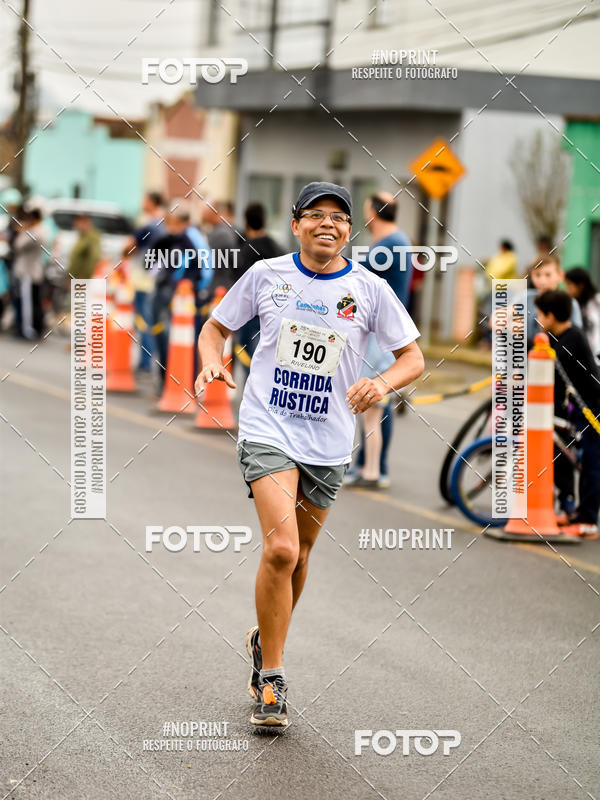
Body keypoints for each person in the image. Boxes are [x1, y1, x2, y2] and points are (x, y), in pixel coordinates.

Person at [195, 181, 424, 727]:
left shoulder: (369, 289)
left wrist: (383, 383)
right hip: (268, 427)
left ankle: (263, 638)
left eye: (339, 218)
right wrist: (210, 361)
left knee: (299, 557)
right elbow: (215, 328)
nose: (328, 224)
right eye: (316, 215)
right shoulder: (267, 275)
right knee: (280, 549)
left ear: (350, 230)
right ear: (296, 223)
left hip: (329, 438)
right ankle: (271, 678)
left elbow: (412, 357)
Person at [348, 192, 413, 488]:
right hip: (388, 335)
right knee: (376, 408)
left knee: (369, 408)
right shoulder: (400, 241)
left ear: (373, 213)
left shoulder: (387, 246)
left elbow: (353, 282)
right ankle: (372, 469)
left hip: (378, 337)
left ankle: (370, 471)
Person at [535, 290, 600, 538]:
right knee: (570, 457)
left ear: (551, 316)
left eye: (541, 314)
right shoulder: (558, 335)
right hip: (577, 409)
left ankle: (587, 522)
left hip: (593, 410)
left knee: (591, 463)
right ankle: (573, 512)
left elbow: (551, 370)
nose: (538, 319)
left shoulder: (572, 338)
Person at [151, 202, 204, 391]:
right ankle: (167, 381)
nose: (169, 227)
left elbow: (196, 270)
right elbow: (151, 261)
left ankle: (178, 382)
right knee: (163, 338)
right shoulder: (168, 240)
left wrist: (186, 284)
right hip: (165, 294)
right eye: (167, 222)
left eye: (172, 222)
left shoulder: (189, 241)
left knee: (177, 341)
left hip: (180, 300)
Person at [234, 202, 284, 374]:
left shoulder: (245, 250)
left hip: (252, 314)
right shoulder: (277, 247)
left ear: (246, 221)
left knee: (247, 355)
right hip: (275, 312)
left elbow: (240, 285)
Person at [129, 192, 167, 371]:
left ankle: (145, 362)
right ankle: (149, 360)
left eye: (145, 199)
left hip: (144, 280)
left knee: (144, 320)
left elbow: (130, 245)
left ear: (151, 202)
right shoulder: (164, 224)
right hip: (156, 278)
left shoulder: (150, 223)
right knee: (151, 320)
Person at [525, 255, 582, 349]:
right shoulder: (524, 299)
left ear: (560, 276)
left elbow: (575, 338)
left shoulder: (570, 303)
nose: (542, 281)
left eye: (548, 275)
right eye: (537, 275)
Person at [12, 208, 47, 339]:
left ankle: (27, 330)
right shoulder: (41, 230)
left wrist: (23, 231)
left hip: (29, 273)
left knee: (28, 303)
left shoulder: (35, 232)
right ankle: (35, 328)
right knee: (35, 301)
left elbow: (18, 245)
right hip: (33, 271)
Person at [202, 199, 243, 291]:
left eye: (206, 213)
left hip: (220, 286)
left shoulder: (221, 234)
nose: (203, 216)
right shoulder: (223, 231)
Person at [565, 267, 600, 363]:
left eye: (569, 285)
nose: (567, 289)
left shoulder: (597, 301)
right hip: (583, 354)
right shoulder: (573, 304)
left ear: (580, 285)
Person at [68, 214, 101, 280]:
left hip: (83, 279)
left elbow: (94, 259)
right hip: (76, 277)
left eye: (78, 224)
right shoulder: (82, 236)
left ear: (85, 223)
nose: (76, 226)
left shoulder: (92, 238)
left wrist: (84, 277)